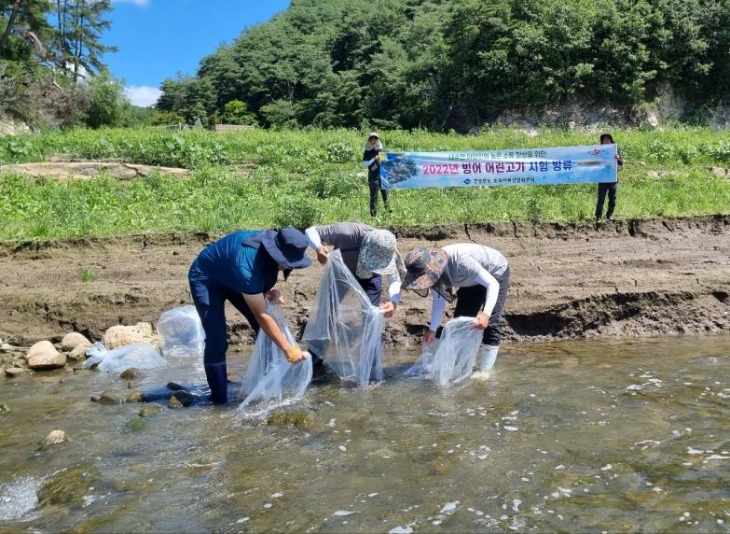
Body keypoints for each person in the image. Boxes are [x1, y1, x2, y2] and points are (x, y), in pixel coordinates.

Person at [188, 227, 313, 404]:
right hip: (206, 278)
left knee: (267, 333)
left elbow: (260, 278)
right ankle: (219, 402)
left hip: (236, 276)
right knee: (217, 339)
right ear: (276, 253)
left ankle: (264, 388)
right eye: (287, 262)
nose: (288, 266)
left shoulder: (272, 250)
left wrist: (268, 291)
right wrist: (288, 350)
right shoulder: (247, 261)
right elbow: (261, 314)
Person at [402, 243, 510, 380]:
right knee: (461, 322)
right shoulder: (435, 274)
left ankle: (485, 371)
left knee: (490, 323)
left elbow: (492, 284)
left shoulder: (460, 260)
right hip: (471, 281)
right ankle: (462, 366)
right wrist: (433, 329)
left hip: (495, 273)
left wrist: (486, 314)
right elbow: (439, 299)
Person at [304, 222, 405, 367]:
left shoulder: (387, 247)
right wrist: (318, 247)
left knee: (372, 317)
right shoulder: (347, 232)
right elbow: (310, 231)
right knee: (326, 314)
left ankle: (370, 366)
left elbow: (394, 278)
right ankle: (315, 361)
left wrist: (394, 302)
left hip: (371, 277)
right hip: (341, 273)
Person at [595, 132, 624, 222]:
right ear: (602, 142)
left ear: (611, 140)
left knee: (612, 198)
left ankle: (610, 214)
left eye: (608, 139)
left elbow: (621, 163)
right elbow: (593, 162)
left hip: (612, 178)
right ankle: (598, 216)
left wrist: (617, 158)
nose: (606, 141)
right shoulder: (598, 151)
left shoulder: (615, 150)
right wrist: (597, 154)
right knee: (601, 198)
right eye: (604, 140)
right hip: (602, 178)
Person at [363, 132, 390, 217]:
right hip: (373, 176)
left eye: (375, 138)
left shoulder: (381, 150)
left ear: (377, 140)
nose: (374, 140)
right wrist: (374, 159)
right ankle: (373, 215)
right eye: (372, 139)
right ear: (369, 140)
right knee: (374, 196)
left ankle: (388, 212)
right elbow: (364, 164)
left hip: (383, 176)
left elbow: (387, 161)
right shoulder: (367, 151)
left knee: (385, 195)